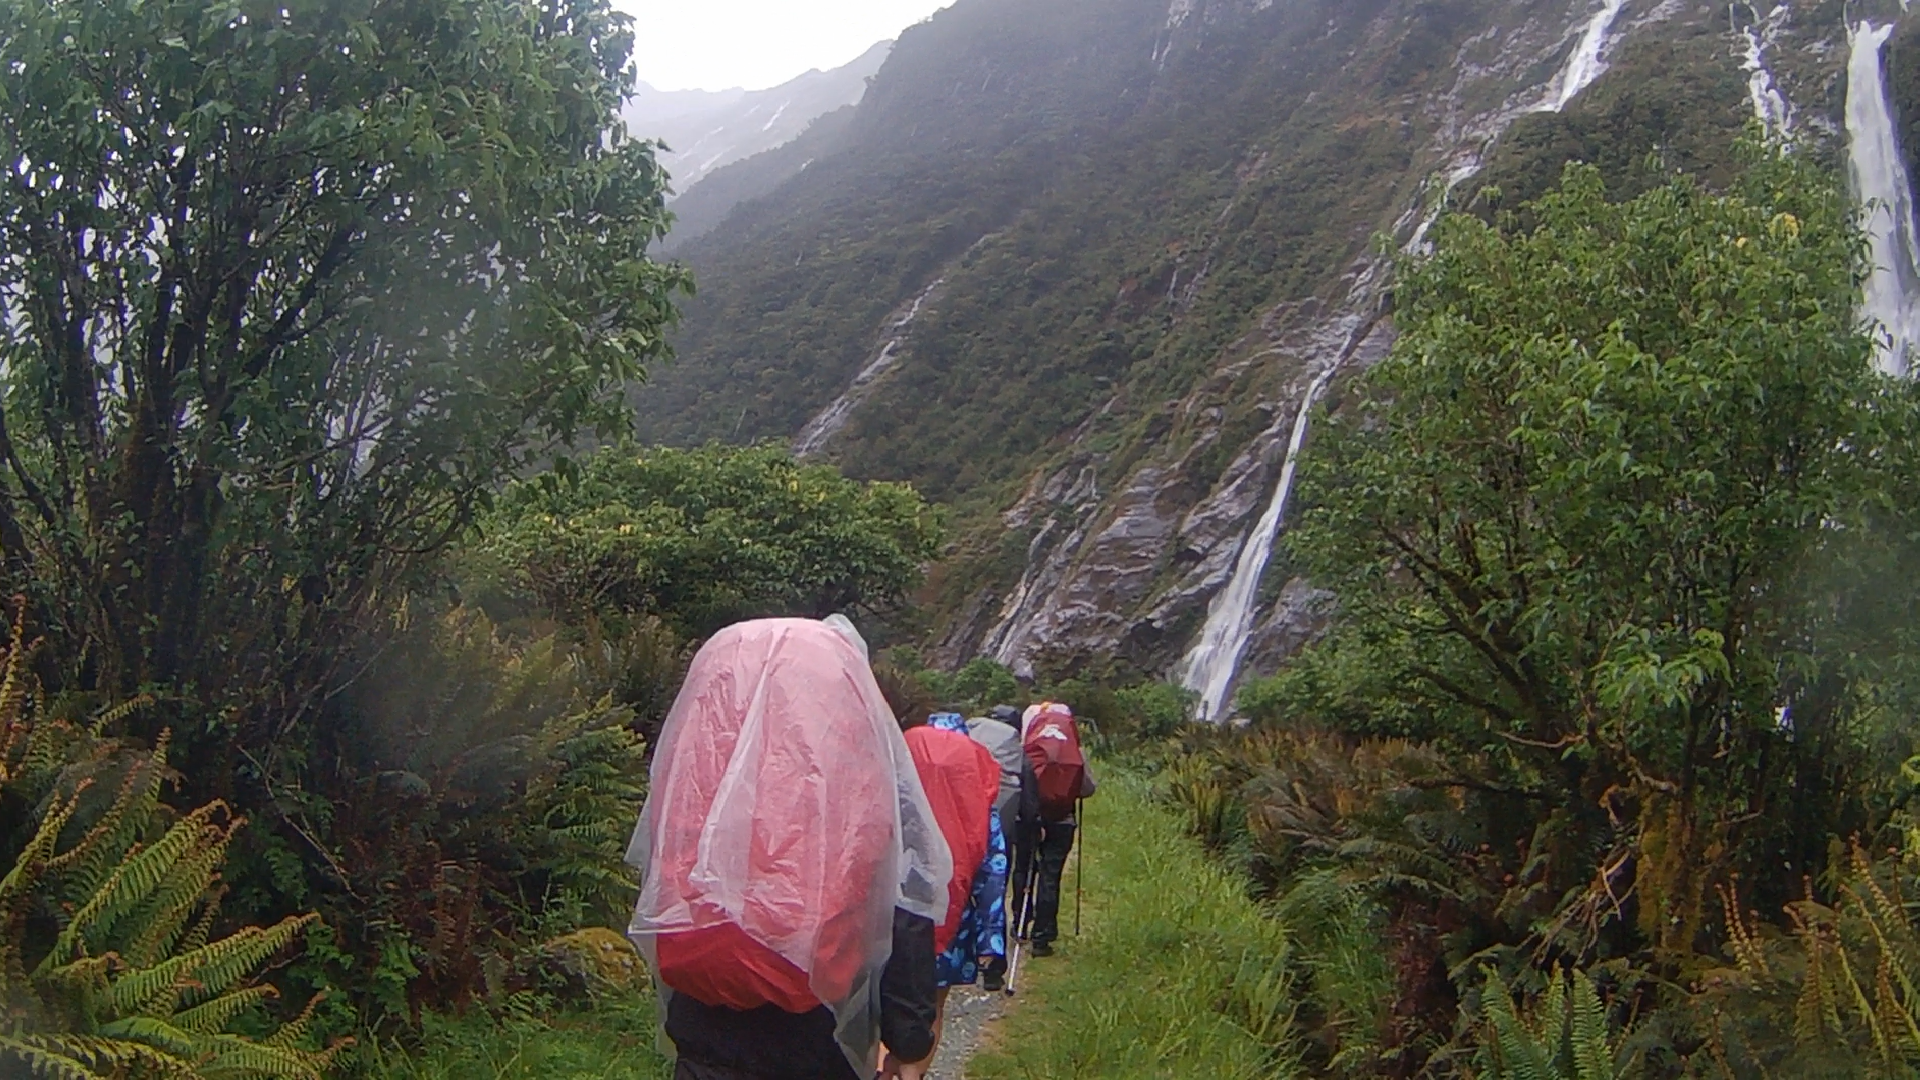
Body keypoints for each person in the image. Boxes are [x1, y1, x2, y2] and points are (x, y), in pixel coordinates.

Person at [624, 618, 952, 1080]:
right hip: (814, 1034)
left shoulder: (698, 770)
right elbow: (901, 895)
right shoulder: (853, 770)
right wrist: (908, 1037)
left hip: (702, 1028)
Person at [901, 711, 1007, 1070]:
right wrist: (991, 941)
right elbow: (993, 871)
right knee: (931, 1007)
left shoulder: (900, 789)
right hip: (951, 920)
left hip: (892, 917)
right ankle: (914, 1073)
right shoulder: (979, 800)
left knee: (883, 1004)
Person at [1013, 702, 1096, 958]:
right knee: (1050, 876)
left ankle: (1019, 923)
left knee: (1025, 869)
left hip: (1030, 819)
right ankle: (1042, 937)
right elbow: (1088, 789)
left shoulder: (1029, 748)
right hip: (1062, 821)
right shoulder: (1074, 752)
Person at [965, 705, 1037, 991]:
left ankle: (957, 950)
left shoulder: (971, 735)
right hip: (1001, 823)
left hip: (964, 816)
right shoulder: (1019, 752)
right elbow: (1029, 804)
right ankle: (993, 966)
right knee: (994, 889)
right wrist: (1031, 830)